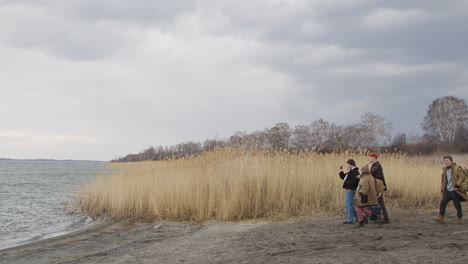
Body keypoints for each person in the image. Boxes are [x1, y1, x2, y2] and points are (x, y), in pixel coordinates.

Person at [433, 155, 467, 224]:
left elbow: (462, 176)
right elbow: (444, 180)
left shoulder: (456, 168)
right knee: (443, 203)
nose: (446, 162)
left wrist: (458, 184)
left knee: (457, 204)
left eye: (448, 160)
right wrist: (443, 189)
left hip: (455, 190)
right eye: (445, 161)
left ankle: (459, 219)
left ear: (451, 161)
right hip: (448, 190)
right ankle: (441, 217)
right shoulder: (445, 170)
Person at [355, 164, 379, 228]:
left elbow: (365, 187)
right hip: (369, 195)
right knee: (362, 208)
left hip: (364, 196)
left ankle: (361, 222)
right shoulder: (370, 176)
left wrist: (360, 193)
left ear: (363, 171)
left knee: (358, 208)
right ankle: (374, 216)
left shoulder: (365, 178)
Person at [369, 152, 390, 224]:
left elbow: (371, 172)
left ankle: (386, 218)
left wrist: (364, 173)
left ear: (374, 158)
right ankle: (376, 217)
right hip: (377, 186)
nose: (369, 158)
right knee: (375, 202)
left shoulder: (376, 165)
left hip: (378, 187)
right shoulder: (375, 165)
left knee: (380, 202)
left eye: (370, 157)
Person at [339, 159, 360, 224]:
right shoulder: (350, 171)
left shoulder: (355, 172)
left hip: (351, 189)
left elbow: (354, 181)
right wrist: (340, 171)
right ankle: (359, 217)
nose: (347, 165)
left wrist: (348, 184)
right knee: (348, 205)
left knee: (349, 205)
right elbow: (343, 177)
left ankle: (350, 219)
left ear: (351, 164)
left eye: (348, 164)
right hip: (348, 189)